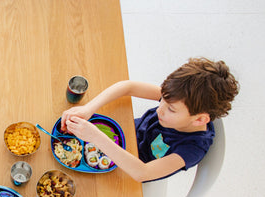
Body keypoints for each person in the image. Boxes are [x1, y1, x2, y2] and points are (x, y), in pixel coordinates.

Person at [61, 57, 239, 182]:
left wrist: (96, 137)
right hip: (122, 137)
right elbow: (128, 86)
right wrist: (88, 108)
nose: (160, 109)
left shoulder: (192, 149)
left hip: (127, 168)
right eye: (162, 100)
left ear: (200, 119)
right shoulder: (178, 98)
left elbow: (141, 173)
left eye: (170, 109)